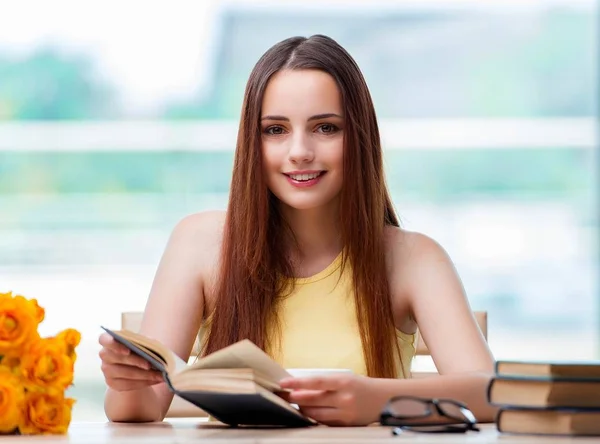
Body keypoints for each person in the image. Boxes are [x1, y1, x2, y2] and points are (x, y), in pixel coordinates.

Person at [99, 34, 497, 426]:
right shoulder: (199, 243)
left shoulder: (414, 258)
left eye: (325, 128)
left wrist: (375, 398)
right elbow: (141, 409)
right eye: (275, 130)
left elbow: (493, 393)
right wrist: (126, 381)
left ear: (359, 137)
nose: (299, 151)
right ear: (251, 143)